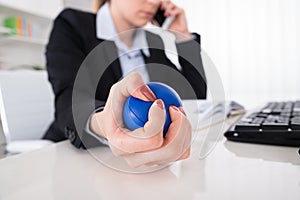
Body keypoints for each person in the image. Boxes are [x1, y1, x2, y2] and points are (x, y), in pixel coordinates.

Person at [43, 0, 207, 167]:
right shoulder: (73, 24)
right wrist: (105, 124)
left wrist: (183, 38)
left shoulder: (152, 41)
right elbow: (69, 100)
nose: (153, 2)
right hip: (75, 158)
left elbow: (195, 95)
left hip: (147, 167)